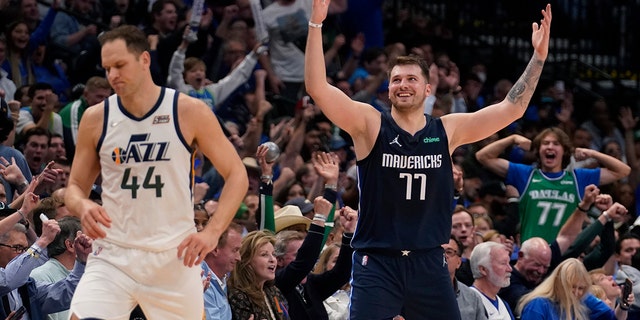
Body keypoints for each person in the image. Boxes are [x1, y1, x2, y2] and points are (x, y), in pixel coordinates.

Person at [305, 1, 552, 318]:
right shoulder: (369, 123)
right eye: (396, 80)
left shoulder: (447, 129)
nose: (402, 85)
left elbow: (511, 109)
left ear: (427, 89)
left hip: (429, 262)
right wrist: (316, 24)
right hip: (377, 261)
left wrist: (539, 57)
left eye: (410, 79)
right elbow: (317, 87)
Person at [65, 25, 248, 319]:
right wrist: (82, 204)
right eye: (107, 68)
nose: (112, 75)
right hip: (114, 255)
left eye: (120, 65)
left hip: (174, 257)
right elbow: (73, 186)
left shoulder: (189, 111)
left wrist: (213, 232)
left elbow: (237, 174)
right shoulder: (95, 118)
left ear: (145, 60)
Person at [475, 128, 630, 244]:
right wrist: (512, 139)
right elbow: (483, 156)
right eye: (545, 143)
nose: (550, 147)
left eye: (556, 144)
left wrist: (592, 153)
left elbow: (623, 170)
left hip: (565, 253)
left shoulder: (578, 177)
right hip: (532, 253)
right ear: (538, 150)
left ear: (564, 151)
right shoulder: (525, 174)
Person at [517, 258, 615, 320]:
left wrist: (584, 295)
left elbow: (608, 315)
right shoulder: (537, 305)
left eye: (581, 288)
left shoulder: (578, 306)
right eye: (572, 286)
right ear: (559, 283)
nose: (576, 292)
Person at [227, 230, 289, 319]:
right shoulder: (237, 295)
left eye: (273, 254)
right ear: (246, 261)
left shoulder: (274, 291)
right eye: (264, 255)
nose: (272, 260)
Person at [201, 222, 243, 320]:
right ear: (215, 249)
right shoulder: (203, 282)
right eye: (235, 250)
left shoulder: (224, 277)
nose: (239, 258)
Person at [443, 236, 488, 320]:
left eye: (449, 252)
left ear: (459, 262)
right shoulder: (417, 294)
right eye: (439, 252)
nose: (444, 256)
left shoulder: (473, 297)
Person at [469, 242, 515, 320]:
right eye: (503, 263)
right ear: (483, 269)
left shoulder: (503, 304)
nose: (510, 269)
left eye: (509, 263)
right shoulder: (468, 301)